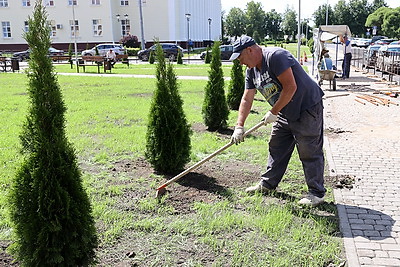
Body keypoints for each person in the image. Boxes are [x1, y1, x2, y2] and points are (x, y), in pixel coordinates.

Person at [229, 35, 326, 206]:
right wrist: (239, 126)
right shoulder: (251, 71)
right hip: (284, 111)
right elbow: (247, 98)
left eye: (240, 57)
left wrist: (273, 111)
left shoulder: (275, 56)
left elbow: (291, 87)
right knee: (277, 146)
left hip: (307, 107)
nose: (240, 62)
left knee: (308, 149)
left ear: (249, 50)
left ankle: (316, 193)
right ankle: (268, 184)